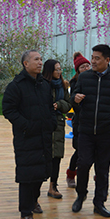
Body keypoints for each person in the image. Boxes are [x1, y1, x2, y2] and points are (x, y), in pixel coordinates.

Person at [2, 50, 57, 219]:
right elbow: (8, 110)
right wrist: (26, 125)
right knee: (27, 176)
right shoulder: (16, 86)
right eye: (36, 59)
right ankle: (26, 213)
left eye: (41, 59)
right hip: (26, 138)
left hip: (44, 136)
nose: (40, 62)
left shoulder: (44, 85)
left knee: (42, 172)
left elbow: (50, 107)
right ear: (26, 64)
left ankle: (34, 201)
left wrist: (52, 122)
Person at [70, 44, 110, 218]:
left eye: (97, 58)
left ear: (107, 60)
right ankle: (81, 195)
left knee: (102, 169)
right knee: (84, 164)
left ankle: (99, 203)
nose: (92, 61)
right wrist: (75, 99)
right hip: (86, 131)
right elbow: (73, 100)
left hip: (107, 133)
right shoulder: (84, 78)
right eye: (92, 57)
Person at [41, 59, 71, 199]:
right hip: (44, 124)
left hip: (58, 124)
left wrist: (58, 105)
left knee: (56, 157)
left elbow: (68, 104)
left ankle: (53, 186)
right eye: (56, 70)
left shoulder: (63, 86)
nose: (59, 72)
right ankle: (37, 187)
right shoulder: (41, 84)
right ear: (49, 71)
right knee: (42, 156)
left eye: (60, 69)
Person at [66, 52, 91, 188]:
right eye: (83, 67)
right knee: (79, 151)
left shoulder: (95, 79)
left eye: (88, 65)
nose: (86, 68)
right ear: (77, 70)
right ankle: (71, 175)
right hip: (80, 122)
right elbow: (73, 104)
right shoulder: (74, 83)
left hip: (94, 122)